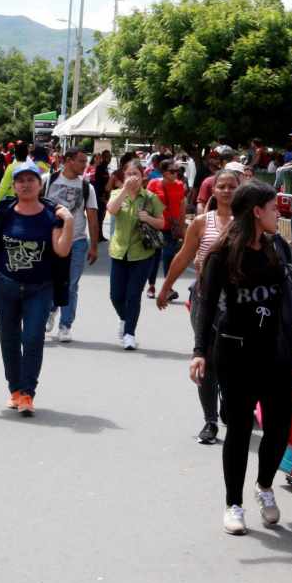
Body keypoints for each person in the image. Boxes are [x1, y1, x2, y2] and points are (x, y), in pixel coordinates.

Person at [191, 180, 292, 534]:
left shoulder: (278, 247)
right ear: (257, 211)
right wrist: (199, 352)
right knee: (239, 429)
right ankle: (233, 504)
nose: (277, 214)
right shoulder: (222, 254)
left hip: (276, 351)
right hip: (235, 351)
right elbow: (206, 305)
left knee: (279, 425)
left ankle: (264, 486)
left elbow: (290, 300)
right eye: (273, 208)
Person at [0, 160, 74, 416]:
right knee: (10, 339)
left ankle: (28, 393)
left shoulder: (52, 215)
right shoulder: (2, 214)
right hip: (5, 286)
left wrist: (68, 221)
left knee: (33, 338)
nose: (25, 185)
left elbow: (61, 250)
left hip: (40, 287)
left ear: (39, 185)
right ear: (13, 185)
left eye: (30, 180)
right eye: (20, 180)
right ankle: (15, 391)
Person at [159, 166, 241, 444]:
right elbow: (183, 257)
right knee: (205, 356)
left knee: (233, 362)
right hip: (205, 299)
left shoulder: (248, 221)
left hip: (239, 304)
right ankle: (210, 420)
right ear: (213, 190)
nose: (227, 191)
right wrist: (167, 286)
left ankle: (231, 405)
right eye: (223, 186)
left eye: (233, 186)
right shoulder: (202, 223)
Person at [107, 161, 166, 350]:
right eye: (128, 174)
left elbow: (161, 223)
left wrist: (148, 218)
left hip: (142, 253)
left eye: (136, 174)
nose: (132, 177)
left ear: (143, 177)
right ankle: (125, 319)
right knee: (116, 295)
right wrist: (124, 190)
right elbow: (111, 210)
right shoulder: (117, 194)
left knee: (133, 295)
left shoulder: (151, 198)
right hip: (119, 251)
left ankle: (130, 333)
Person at [44, 147, 101, 342]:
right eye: (81, 161)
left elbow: (93, 218)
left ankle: (65, 325)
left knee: (71, 284)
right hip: (50, 240)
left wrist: (94, 245)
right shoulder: (48, 180)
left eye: (86, 162)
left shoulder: (87, 187)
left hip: (76, 241)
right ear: (68, 160)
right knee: (50, 281)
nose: (85, 165)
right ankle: (51, 310)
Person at [146, 160, 187, 301]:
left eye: (178, 171)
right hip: (156, 226)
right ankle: (151, 285)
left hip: (172, 227)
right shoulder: (153, 184)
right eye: (173, 171)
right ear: (164, 173)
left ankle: (168, 288)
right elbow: (147, 204)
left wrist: (182, 226)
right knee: (154, 258)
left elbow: (182, 206)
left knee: (169, 255)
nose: (176, 174)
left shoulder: (180, 185)